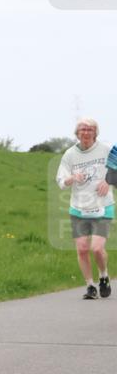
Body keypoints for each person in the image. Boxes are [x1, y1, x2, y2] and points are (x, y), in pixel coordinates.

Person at [55, 118, 113, 299]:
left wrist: (108, 180)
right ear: (77, 133)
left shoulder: (106, 149)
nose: (86, 132)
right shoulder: (69, 154)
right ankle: (90, 286)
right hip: (78, 208)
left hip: (102, 206)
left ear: (95, 132)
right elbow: (61, 181)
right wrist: (72, 177)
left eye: (89, 129)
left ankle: (103, 275)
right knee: (81, 249)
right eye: (82, 129)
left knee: (96, 248)